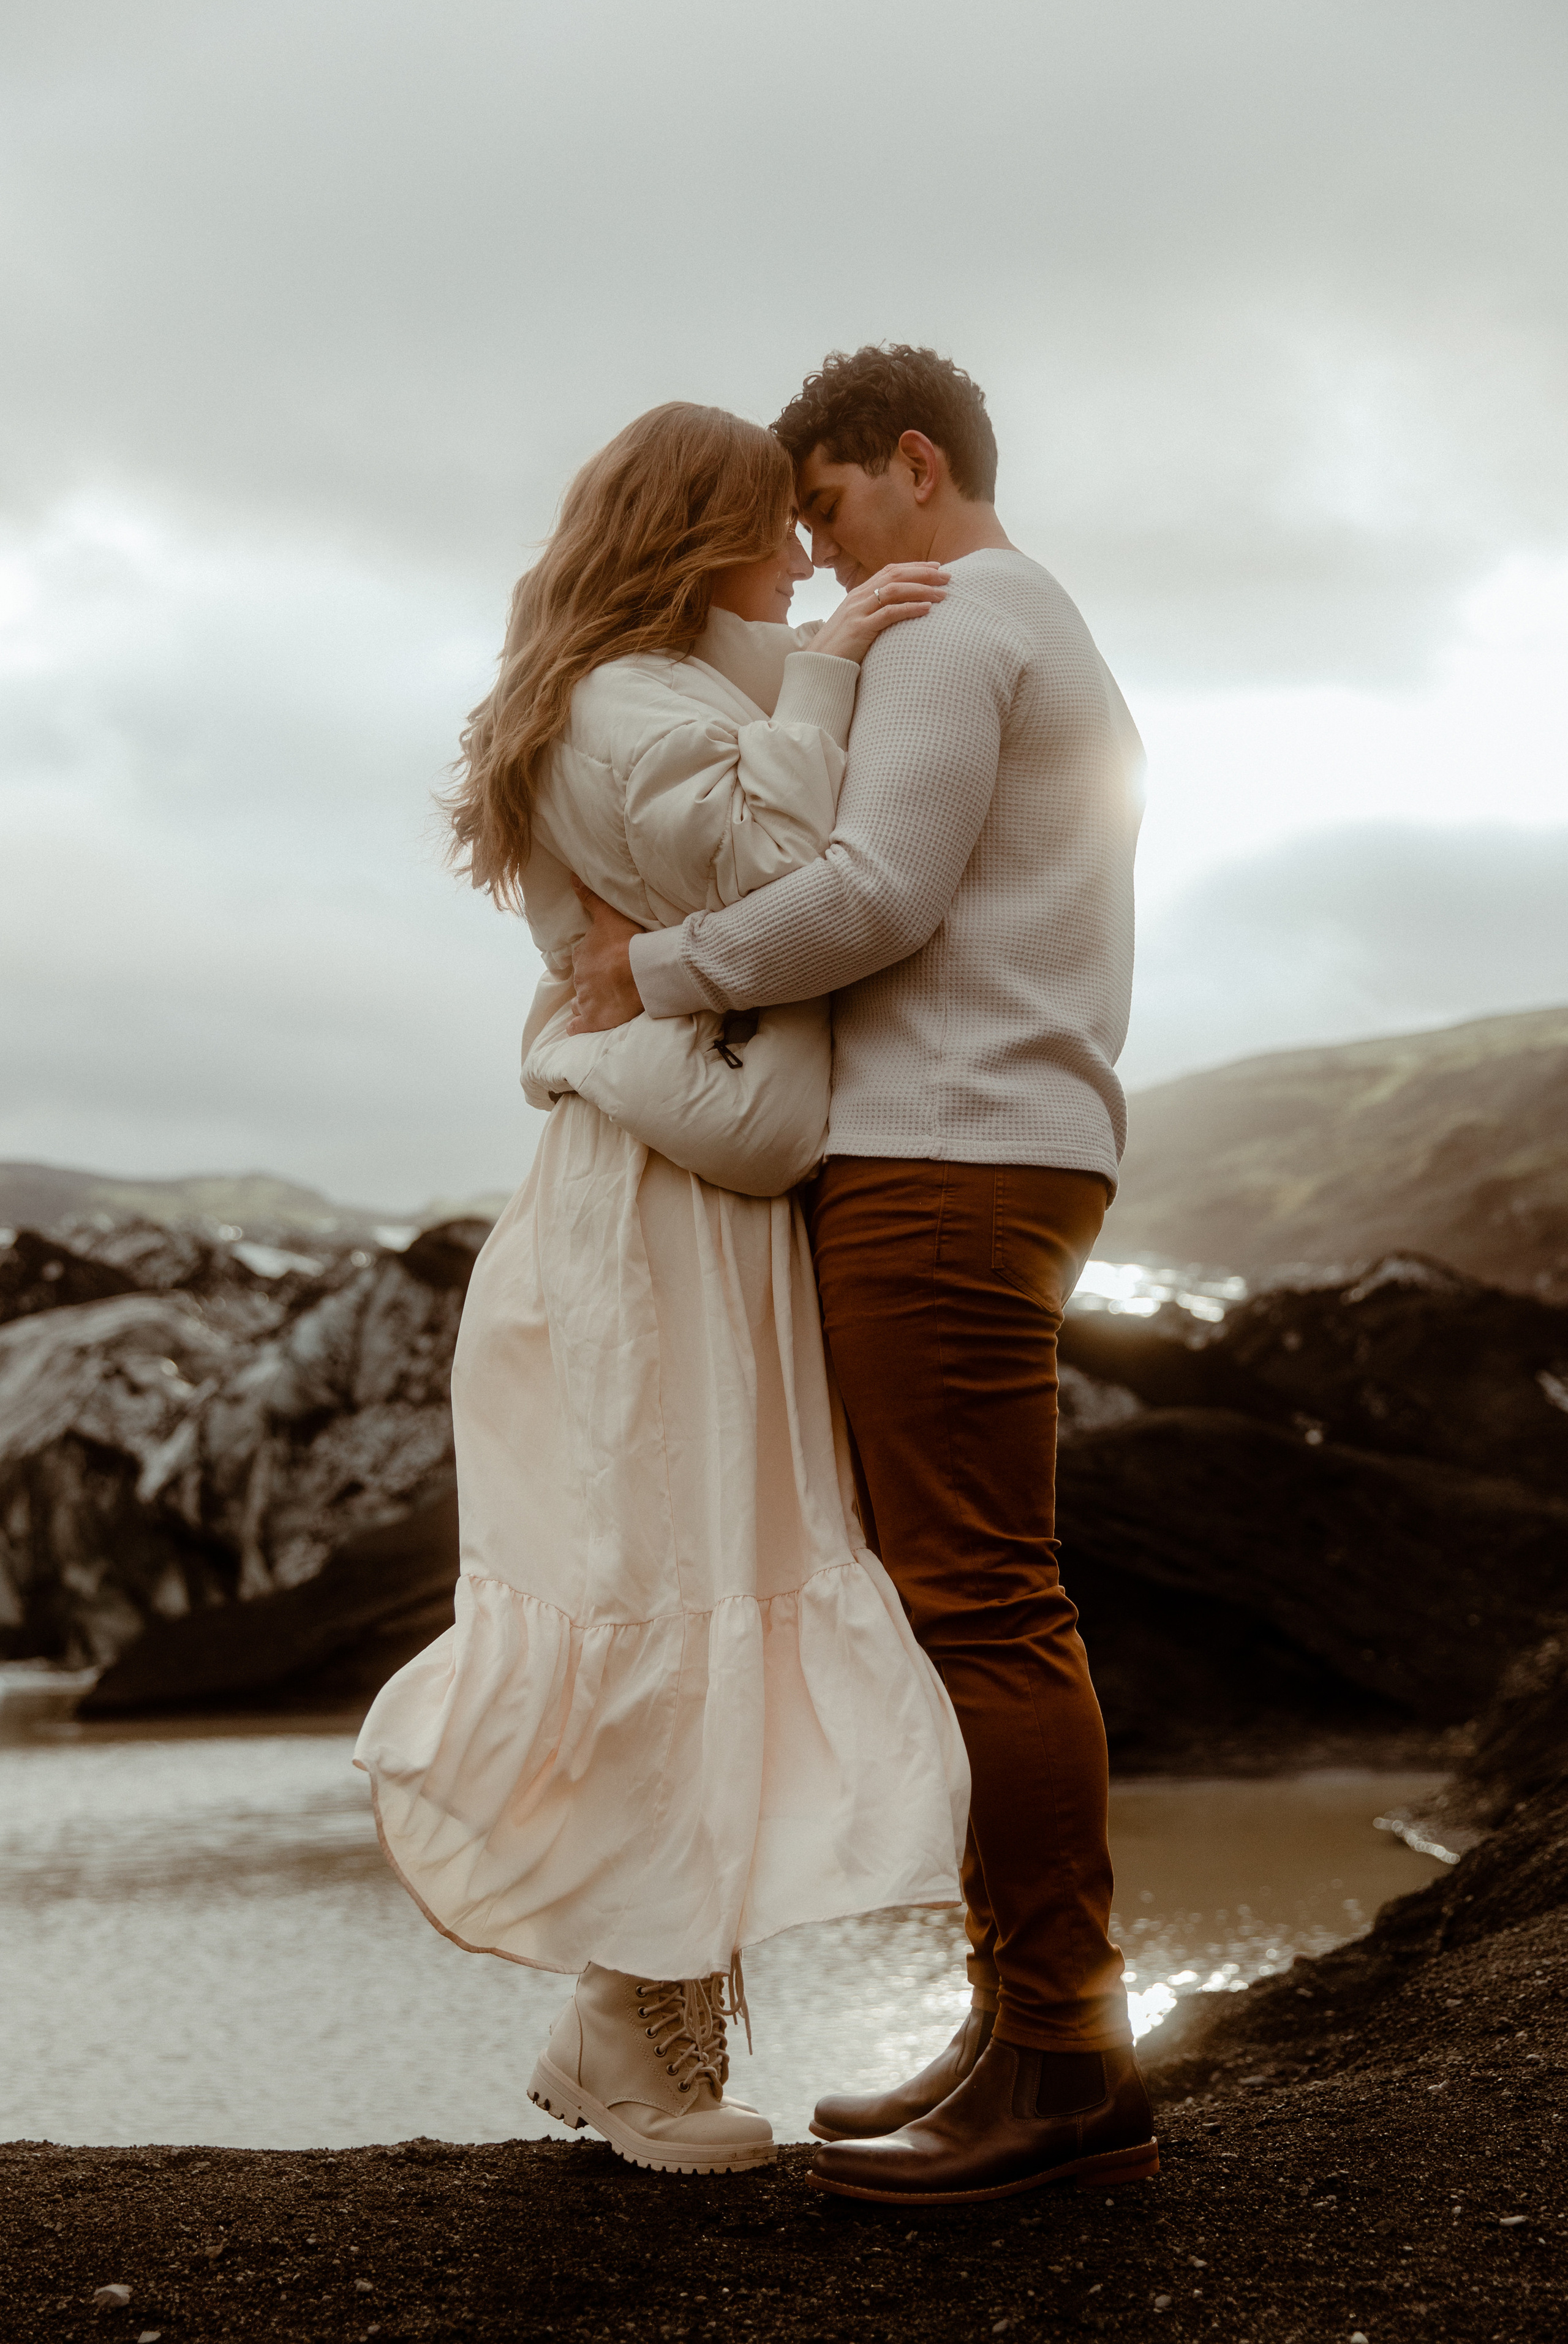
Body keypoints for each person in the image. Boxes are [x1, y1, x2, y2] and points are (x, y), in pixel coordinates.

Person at [567, 346, 1158, 2204]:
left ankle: (1065, 2058)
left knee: (984, 1602)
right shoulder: (1019, 618)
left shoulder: (961, 622)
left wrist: (643, 977)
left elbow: (872, 890)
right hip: (999, 1149)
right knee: (977, 1594)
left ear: (917, 464)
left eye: (823, 509)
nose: (815, 563)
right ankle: (1025, 2025)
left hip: (950, 1159)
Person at [354, 401, 969, 2179]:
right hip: (651, 1215)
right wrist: (835, 673)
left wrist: (803, 676)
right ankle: (637, 2039)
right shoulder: (630, 710)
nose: (802, 558)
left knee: (718, 1583)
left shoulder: (666, 695)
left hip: (697, 1192)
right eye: (775, 527)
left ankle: (631, 2013)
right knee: (667, 1585)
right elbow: (795, 886)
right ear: (701, 531)